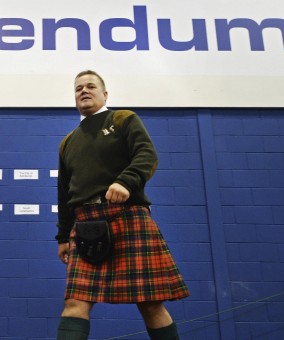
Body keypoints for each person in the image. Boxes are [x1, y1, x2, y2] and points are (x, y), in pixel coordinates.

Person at [55, 70, 190, 340]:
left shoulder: (123, 119)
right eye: (78, 88)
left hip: (127, 217)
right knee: (74, 302)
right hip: (85, 225)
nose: (84, 91)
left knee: (150, 303)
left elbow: (146, 154)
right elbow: (64, 193)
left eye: (91, 86)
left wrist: (126, 183)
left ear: (105, 94)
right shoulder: (68, 142)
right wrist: (62, 236)